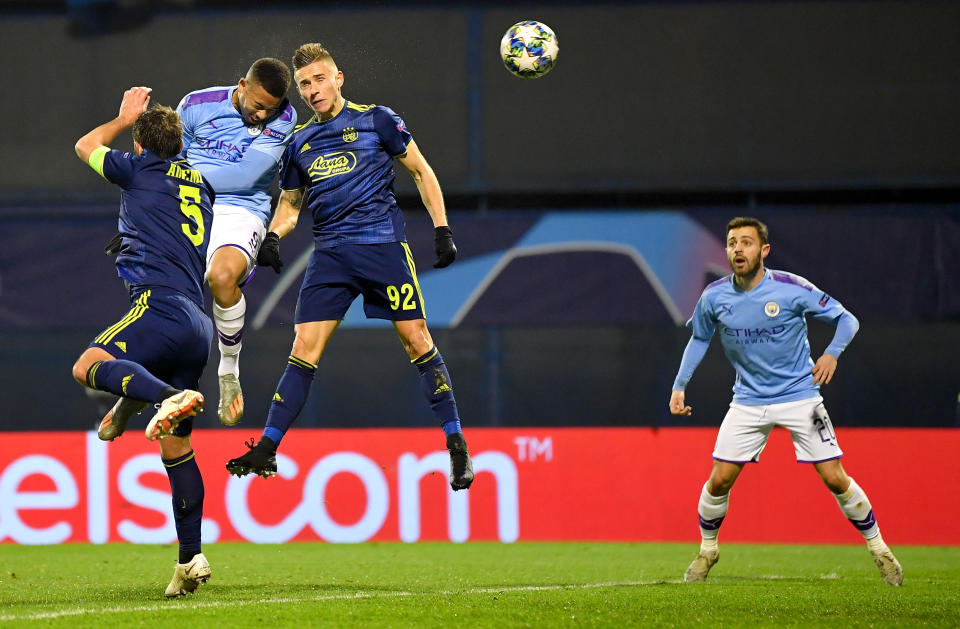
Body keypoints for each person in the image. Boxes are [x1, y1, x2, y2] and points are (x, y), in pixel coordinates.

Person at [225, 43, 473, 491]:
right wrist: (275, 237)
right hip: (331, 257)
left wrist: (442, 229)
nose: (313, 89)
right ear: (299, 92)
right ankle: (267, 447)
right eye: (305, 84)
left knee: (417, 340)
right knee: (303, 347)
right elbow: (290, 204)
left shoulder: (377, 119)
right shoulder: (299, 142)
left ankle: (456, 446)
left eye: (320, 79)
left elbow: (421, 171)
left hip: (382, 250)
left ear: (338, 79)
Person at [669, 216, 903, 586]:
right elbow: (699, 338)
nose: (737, 249)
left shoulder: (791, 288)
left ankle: (879, 549)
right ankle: (707, 550)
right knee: (718, 480)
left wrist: (832, 354)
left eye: (746, 242)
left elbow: (848, 320)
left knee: (834, 478)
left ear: (763, 251)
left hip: (800, 397)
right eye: (731, 243)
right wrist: (680, 385)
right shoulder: (714, 296)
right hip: (747, 401)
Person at [71, 87, 216, 597]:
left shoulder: (135, 169)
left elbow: (84, 145)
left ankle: (154, 399)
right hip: (199, 327)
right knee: (177, 447)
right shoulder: (202, 185)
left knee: (89, 363)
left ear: (139, 144)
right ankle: (190, 557)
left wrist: (121, 117)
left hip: (159, 305)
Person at [100, 58, 298, 430]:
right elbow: (163, 158)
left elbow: (246, 176)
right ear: (241, 85)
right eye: (257, 105)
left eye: (268, 110)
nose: (261, 115)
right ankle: (140, 389)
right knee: (168, 301)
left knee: (221, 277)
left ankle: (228, 371)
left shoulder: (284, 119)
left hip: (240, 209)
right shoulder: (196, 104)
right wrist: (148, 212)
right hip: (188, 204)